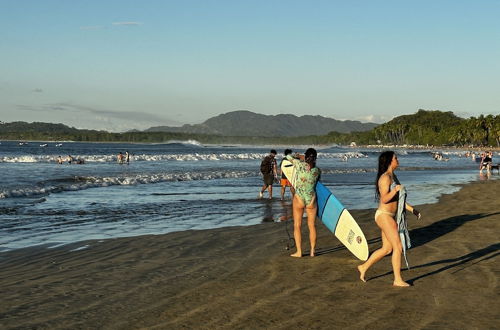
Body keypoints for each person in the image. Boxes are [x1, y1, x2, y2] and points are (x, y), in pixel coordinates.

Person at [357, 151, 421, 287]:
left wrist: (413, 210)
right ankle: (397, 279)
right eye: (395, 158)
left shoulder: (394, 177)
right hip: (384, 215)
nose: (398, 160)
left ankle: (363, 267)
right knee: (398, 246)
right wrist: (395, 190)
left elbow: (399, 200)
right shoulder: (385, 178)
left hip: (390, 216)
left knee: (387, 249)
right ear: (389, 161)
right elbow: (384, 199)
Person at [286, 148, 321, 257]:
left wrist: (299, 156)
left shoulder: (300, 165)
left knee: (297, 225)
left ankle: (299, 252)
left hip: (299, 198)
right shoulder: (317, 171)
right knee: (312, 226)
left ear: (306, 157)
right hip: (311, 199)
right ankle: (312, 251)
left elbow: (288, 157)